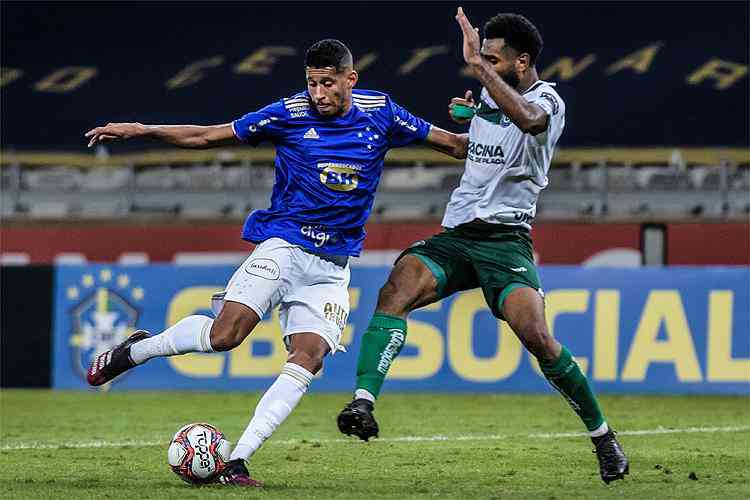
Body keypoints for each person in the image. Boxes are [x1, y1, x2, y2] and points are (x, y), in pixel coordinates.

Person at [84, 38, 468, 487]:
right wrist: (140, 129)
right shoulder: (289, 113)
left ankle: (236, 462)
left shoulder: (381, 111)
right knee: (225, 335)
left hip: (331, 266)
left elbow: (456, 147)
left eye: (328, 83)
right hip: (283, 246)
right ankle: (137, 349)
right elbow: (208, 135)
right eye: (311, 84)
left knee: (310, 356)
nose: (319, 94)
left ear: (350, 79)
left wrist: (483, 119)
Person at [336, 8, 629, 484]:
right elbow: (478, 140)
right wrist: (469, 118)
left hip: (506, 241)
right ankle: (363, 404)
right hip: (458, 235)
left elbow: (530, 122)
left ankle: (603, 437)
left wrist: (479, 69)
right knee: (396, 290)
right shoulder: (494, 98)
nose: (486, 64)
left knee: (537, 337)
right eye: (483, 57)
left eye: (495, 59)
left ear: (522, 61)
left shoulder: (547, 100)